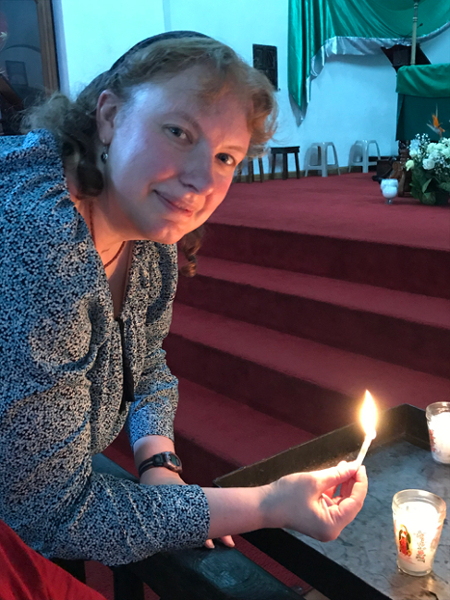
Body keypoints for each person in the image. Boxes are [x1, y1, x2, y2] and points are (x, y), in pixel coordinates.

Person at [0, 30, 368, 571]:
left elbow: (146, 365)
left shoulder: (146, 233)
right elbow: (55, 512)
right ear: (109, 115)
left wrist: (158, 461)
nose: (200, 180)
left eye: (225, 156)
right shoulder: (46, 242)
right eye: (178, 131)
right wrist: (270, 503)